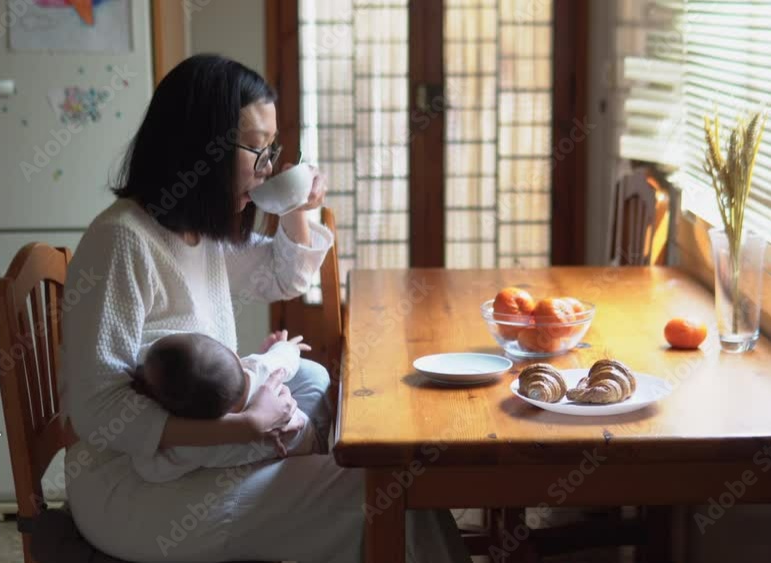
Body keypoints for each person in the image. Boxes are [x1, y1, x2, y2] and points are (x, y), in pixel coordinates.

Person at [60, 54, 470, 562]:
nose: (268, 167)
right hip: (134, 488)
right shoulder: (123, 240)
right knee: (382, 489)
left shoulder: (194, 229)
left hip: (190, 455)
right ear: (197, 146)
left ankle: (306, 501)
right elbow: (99, 412)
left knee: (313, 381)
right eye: (255, 148)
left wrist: (298, 207)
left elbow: (284, 277)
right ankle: (328, 508)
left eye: (271, 148)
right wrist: (245, 426)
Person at [128, 330, 324, 484]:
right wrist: (285, 346)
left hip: (284, 459)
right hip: (306, 435)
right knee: (317, 376)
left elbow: (149, 469)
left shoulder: (192, 445)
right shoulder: (260, 368)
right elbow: (286, 358)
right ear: (236, 355)